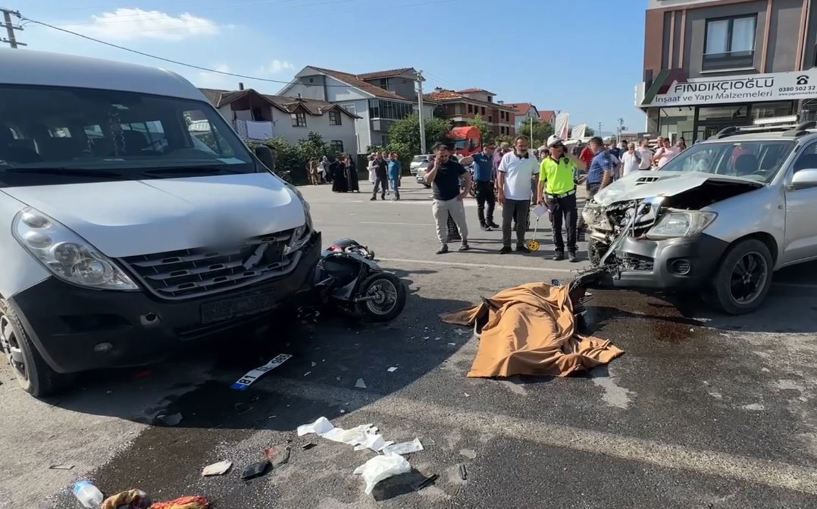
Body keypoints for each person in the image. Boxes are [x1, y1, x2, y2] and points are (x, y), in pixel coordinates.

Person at [538, 136, 584, 262]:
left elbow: (582, 165)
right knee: (556, 225)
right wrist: (539, 196)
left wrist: (569, 155)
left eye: (560, 146)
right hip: (553, 199)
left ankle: (571, 251)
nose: (559, 148)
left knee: (570, 225)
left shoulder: (568, 160)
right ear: (550, 148)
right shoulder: (545, 163)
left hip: (568, 197)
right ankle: (559, 250)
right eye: (556, 146)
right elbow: (541, 181)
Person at [425, 142, 471, 254]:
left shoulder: (454, 165)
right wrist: (436, 167)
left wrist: (465, 192)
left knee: (461, 222)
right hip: (438, 200)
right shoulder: (432, 165)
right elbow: (427, 180)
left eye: (446, 155)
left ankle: (464, 241)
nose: (444, 158)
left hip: (454, 199)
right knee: (440, 224)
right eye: (441, 156)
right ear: (436, 155)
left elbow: (467, 176)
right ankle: (443, 244)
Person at [497, 136, 539, 254]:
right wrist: (500, 191)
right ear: (515, 145)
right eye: (520, 145)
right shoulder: (507, 157)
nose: (523, 147)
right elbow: (500, 174)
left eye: (525, 145)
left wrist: (536, 193)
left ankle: (520, 244)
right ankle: (506, 245)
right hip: (508, 196)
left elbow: (537, 176)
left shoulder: (532, 158)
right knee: (506, 223)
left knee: (521, 223)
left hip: (525, 197)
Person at [472, 143, 498, 230]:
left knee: (492, 203)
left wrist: (494, 181)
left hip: (488, 183)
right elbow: (465, 160)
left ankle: (489, 221)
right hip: (479, 184)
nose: (493, 150)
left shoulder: (491, 157)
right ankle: (482, 224)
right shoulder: (477, 156)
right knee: (481, 205)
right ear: (485, 148)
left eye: (494, 148)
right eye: (491, 148)